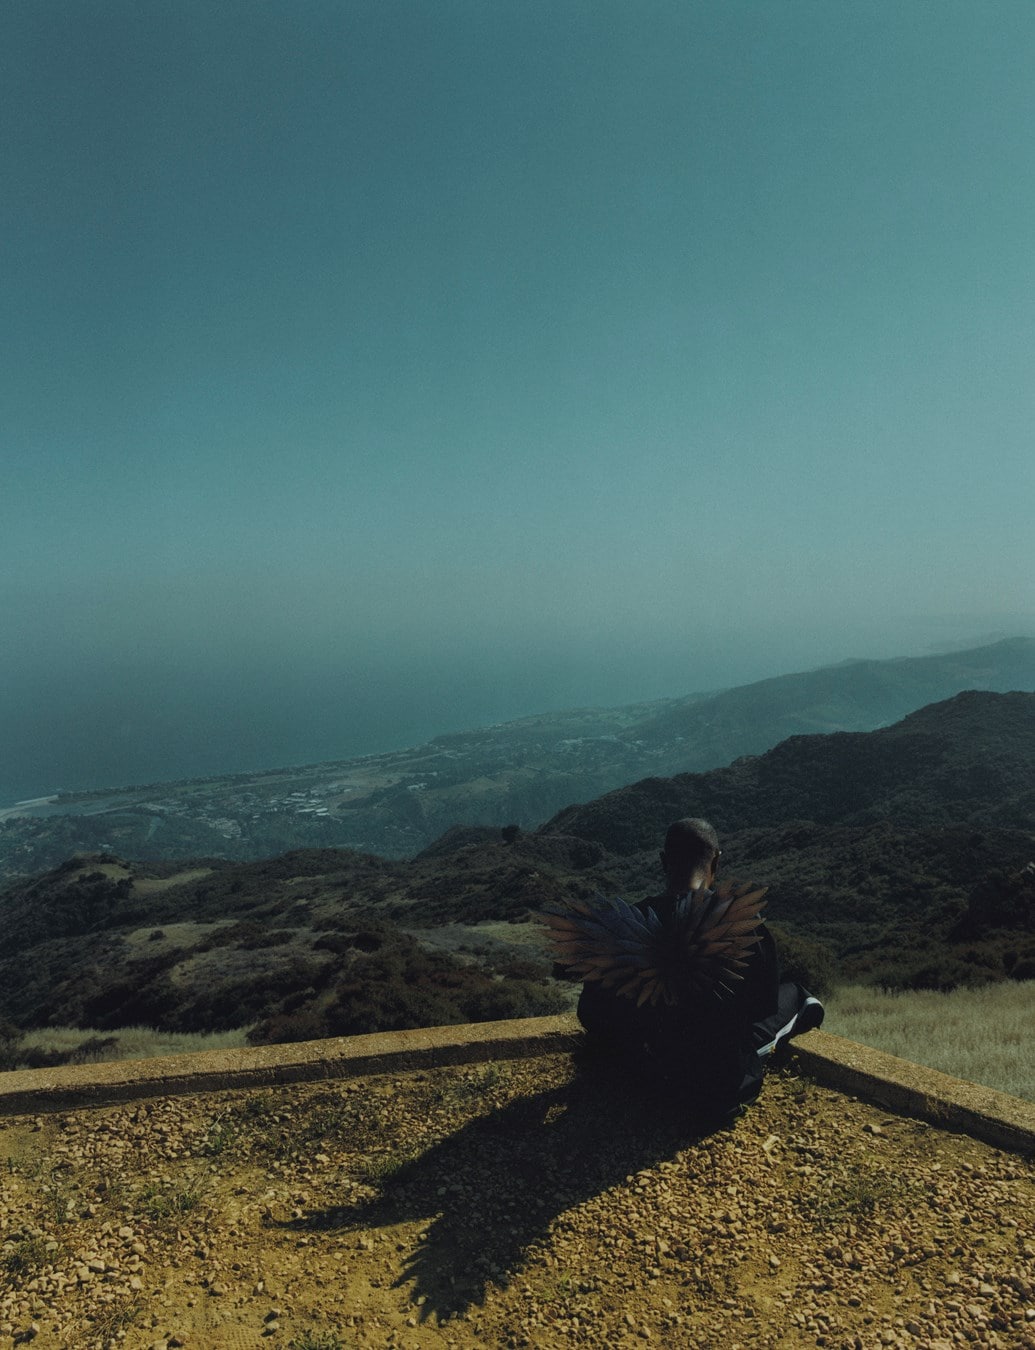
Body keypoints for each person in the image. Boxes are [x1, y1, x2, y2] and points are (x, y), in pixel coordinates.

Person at [571, 817, 823, 1120]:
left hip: (641, 1082)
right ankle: (807, 1003)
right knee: (794, 993)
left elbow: (590, 1012)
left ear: (664, 862)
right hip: (716, 1092)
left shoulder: (625, 925)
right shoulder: (741, 925)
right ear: (716, 861)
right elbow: (761, 1009)